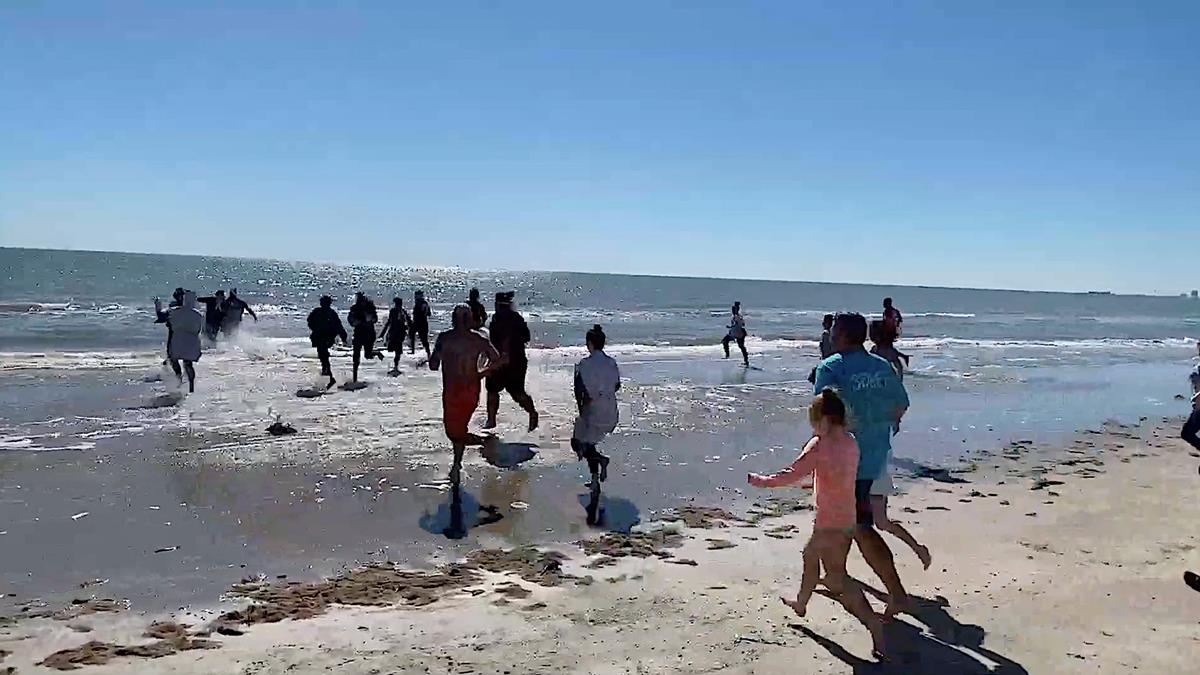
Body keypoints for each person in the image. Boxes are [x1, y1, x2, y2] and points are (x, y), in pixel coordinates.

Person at [748, 388, 886, 660]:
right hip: (846, 517)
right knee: (811, 556)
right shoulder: (850, 441)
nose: (812, 427)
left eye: (814, 421)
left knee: (837, 578)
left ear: (823, 420)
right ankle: (801, 603)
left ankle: (873, 624)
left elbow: (792, 473)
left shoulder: (819, 444)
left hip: (829, 522)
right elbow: (834, 473)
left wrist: (761, 481)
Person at [814, 312, 912, 618]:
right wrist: (880, 426)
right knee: (841, 521)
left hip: (845, 460)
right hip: (875, 455)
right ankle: (835, 576)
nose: (830, 334)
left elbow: (824, 415)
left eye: (833, 330)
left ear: (842, 335)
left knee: (858, 526)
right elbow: (901, 404)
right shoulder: (881, 366)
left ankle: (897, 593)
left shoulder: (831, 367)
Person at [430, 305, 505, 483]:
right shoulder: (478, 339)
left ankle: (484, 442)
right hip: (470, 389)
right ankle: (456, 464)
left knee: (454, 432)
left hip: (453, 391)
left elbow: (433, 365)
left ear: (453, 319)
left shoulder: (445, 338)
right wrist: (481, 373)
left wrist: (440, 355)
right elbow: (497, 361)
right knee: (459, 428)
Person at [572, 325, 621, 486]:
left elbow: (579, 391)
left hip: (594, 412)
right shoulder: (611, 362)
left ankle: (602, 460)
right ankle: (594, 479)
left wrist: (583, 412)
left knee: (579, 443)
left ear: (589, 343)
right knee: (589, 444)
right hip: (612, 411)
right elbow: (616, 386)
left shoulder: (584, 364)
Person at [485, 291, 539, 431]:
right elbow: (527, 338)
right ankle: (532, 413)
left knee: (494, 390)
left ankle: (491, 420)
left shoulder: (498, 319)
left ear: (498, 304)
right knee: (514, 392)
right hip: (516, 361)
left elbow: (493, 341)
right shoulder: (517, 318)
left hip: (507, 361)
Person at [155, 291, 203, 393]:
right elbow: (199, 329)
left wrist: (157, 304)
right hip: (192, 341)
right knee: (188, 364)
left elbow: (161, 316)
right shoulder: (198, 315)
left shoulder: (175, 311)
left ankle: (178, 379)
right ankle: (191, 387)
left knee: (174, 359)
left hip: (178, 339)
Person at [307, 295, 347, 389]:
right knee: (323, 356)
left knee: (323, 355)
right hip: (320, 336)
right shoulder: (318, 312)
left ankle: (329, 376)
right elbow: (310, 322)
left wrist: (343, 337)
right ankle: (328, 375)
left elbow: (338, 326)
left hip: (327, 337)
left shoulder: (330, 313)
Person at [347, 292, 385, 383]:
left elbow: (375, 319)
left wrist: (369, 318)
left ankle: (376, 353)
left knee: (367, 355)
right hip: (359, 334)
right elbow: (350, 320)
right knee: (356, 358)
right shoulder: (355, 309)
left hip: (369, 334)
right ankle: (354, 379)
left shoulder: (370, 308)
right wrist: (355, 321)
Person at [380, 297, 411, 375]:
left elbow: (389, 322)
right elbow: (409, 322)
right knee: (396, 350)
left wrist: (383, 333)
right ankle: (395, 367)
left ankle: (395, 367)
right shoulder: (402, 311)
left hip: (396, 333)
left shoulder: (397, 311)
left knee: (396, 350)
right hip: (398, 333)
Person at [881, 297, 910, 366]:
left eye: (884, 303)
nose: (883, 304)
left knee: (888, 348)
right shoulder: (887, 311)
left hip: (890, 332)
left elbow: (899, 320)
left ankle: (900, 359)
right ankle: (901, 358)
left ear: (888, 303)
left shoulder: (892, 311)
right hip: (888, 331)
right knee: (889, 348)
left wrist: (896, 326)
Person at [722, 301, 749, 366]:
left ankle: (746, 360)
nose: (733, 311)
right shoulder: (735, 316)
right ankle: (727, 355)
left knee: (741, 346)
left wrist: (735, 325)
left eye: (734, 310)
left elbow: (741, 324)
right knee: (725, 341)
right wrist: (731, 326)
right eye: (733, 310)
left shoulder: (738, 316)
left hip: (739, 333)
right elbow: (742, 324)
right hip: (735, 333)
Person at [410, 290, 432, 357]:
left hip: (422, 323)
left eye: (416, 295)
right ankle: (413, 350)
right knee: (412, 334)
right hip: (417, 323)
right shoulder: (418, 303)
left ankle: (428, 353)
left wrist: (424, 311)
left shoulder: (423, 303)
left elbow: (428, 313)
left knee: (424, 339)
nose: (415, 297)